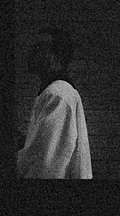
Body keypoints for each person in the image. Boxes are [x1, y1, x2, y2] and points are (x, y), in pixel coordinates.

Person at [17, 27, 92, 179]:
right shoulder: (53, 92)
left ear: (56, 56)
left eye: (39, 48)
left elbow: (48, 165)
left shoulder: (58, 94)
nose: (31, 52)